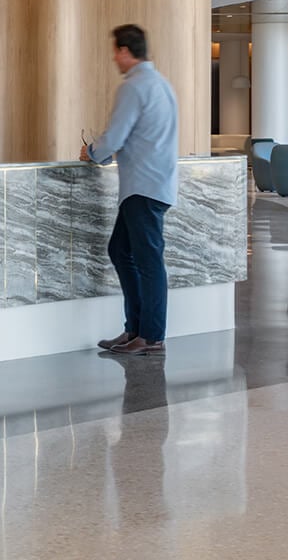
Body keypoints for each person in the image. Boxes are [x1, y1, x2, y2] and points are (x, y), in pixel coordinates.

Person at [80, 24, 178, 356]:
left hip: (142, 187)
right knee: (121, 251)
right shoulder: (162, 85)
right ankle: (135, 328)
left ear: (124, 51)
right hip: (153, 185)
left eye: (115, 52)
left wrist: (93, 152)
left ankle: (150, 336)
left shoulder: (134, 87)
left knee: (148, 262)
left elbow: (115, 136)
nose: (113, 58)